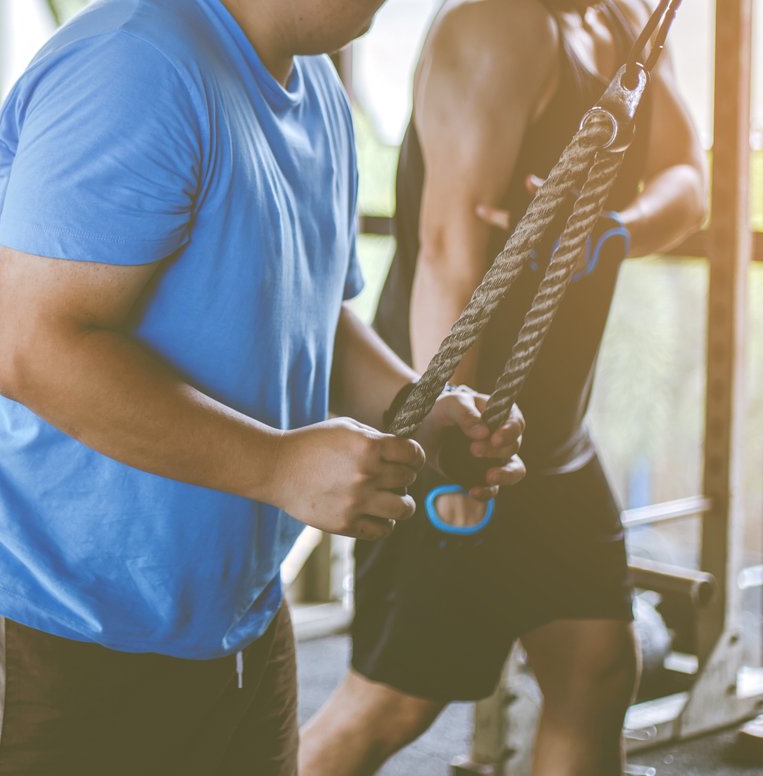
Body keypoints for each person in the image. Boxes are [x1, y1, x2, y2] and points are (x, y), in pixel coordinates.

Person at [0, 0, 528, 774]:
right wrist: (280, 467)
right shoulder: (136, 67)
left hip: (223, 610)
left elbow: (312, 311)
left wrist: (419, 413)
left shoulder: (317, 93)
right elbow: (38, 352)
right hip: (37, 594)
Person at [299, 1, 706, 774]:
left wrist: (618, 227)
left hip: (550, 433)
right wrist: (450, 450)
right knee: (392, 702)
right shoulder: (492, 28)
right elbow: (448, 252)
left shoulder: (624, 24)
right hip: (452, 417)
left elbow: (690, 181)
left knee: (596, 666)